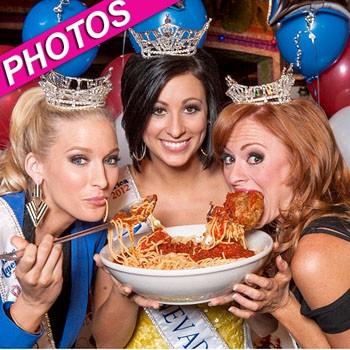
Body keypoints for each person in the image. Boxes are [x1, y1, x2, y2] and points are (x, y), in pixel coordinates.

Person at [90, 42, 259, 347]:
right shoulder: (115, 195)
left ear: (209, 110)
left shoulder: (238, 183)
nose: (176, 129)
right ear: (138, 113)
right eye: (158, 111)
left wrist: (266, 298)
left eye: (191, 108)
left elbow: (268, 321)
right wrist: (124, 287)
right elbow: (106, 343)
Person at [209, 71, 350, 348]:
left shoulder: (315, 254)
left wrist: (283, 304)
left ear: (304, 160)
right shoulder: (280, 229)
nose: (233, 175)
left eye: (255, 156)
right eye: (228, 157)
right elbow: (267, 327)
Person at [0, 70, 120, 348]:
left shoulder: (93, 234)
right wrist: (30, 305)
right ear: (35, 167)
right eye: (79, 160)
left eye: (111, 160)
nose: (102, 181)